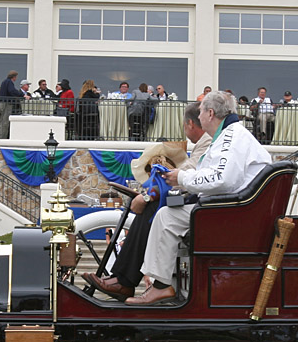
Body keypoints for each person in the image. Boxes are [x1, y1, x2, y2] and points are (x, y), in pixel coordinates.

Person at [84, 103, 211, 301]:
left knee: (153, 210)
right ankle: (123, 279)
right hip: (198, 201)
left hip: (202, 206)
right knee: (153, 209)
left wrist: (147, 196)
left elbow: (186, 176)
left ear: (190, 124)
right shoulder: (206, 144)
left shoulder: (207, 142)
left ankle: (125, 281)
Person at [0, 70, 22, 138]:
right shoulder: (9, 82)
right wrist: (21, 95)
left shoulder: (4, 82)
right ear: (14, 77)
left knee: (3, 120)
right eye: (16, 77)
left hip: (2, 102)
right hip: (6, 103)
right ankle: (3, 137)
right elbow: (12, 91)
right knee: (5, 121)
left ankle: (3, 136)